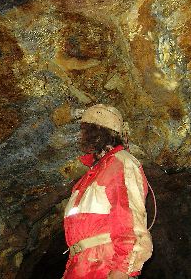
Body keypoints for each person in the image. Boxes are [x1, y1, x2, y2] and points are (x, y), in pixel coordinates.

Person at [63, 104, 153, 279]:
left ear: (103, 134)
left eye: (89, 129)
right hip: (81, 267)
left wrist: (122, 270)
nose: (82, 135)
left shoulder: (121, 162)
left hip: (104, 265)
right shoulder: (85, 180)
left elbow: (129, 219)